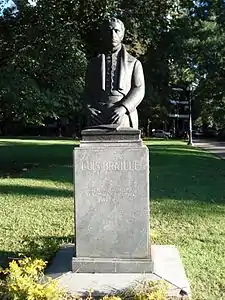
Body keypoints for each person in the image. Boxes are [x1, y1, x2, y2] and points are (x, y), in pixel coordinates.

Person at [84, 17, 145, 129]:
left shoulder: (134, 63)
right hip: (98, 114)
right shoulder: (94, 63)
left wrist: (123, 108)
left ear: (122, 34)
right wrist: (89, 108)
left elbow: (139, 89)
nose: (113, 34)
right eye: (109, 31)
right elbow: (87, 91)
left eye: (116, 31)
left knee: (122, 124)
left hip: (123, 113)